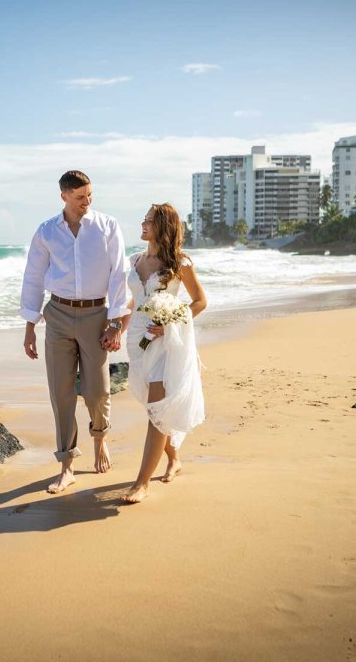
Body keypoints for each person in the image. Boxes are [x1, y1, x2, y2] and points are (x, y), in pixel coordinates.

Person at [20, 170, 130, 494]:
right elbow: (33, 279)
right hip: (57, 316)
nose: (87, 202)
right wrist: (29, 328)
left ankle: (100, 439)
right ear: (64, 196)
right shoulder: (46, 232)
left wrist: (115, 323)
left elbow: (119, 276)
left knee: (96, 391)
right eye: (80, 197)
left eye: (90, 196)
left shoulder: (107, 227)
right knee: (61, 393)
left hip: (97, 314)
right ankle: (66, 465)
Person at [123, 203, 207, 504]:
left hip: (165, 341)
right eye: (143, 220)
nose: (143, 225)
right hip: (137, 340)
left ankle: (142, 482)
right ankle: (174, 458)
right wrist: (115, 328)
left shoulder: (180, 263)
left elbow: (199, 301)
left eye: (149, 221)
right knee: (153, 408)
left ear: (163, 226)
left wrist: (171, 321)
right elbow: (131, 303)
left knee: (157, 407)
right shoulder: (134, 260)